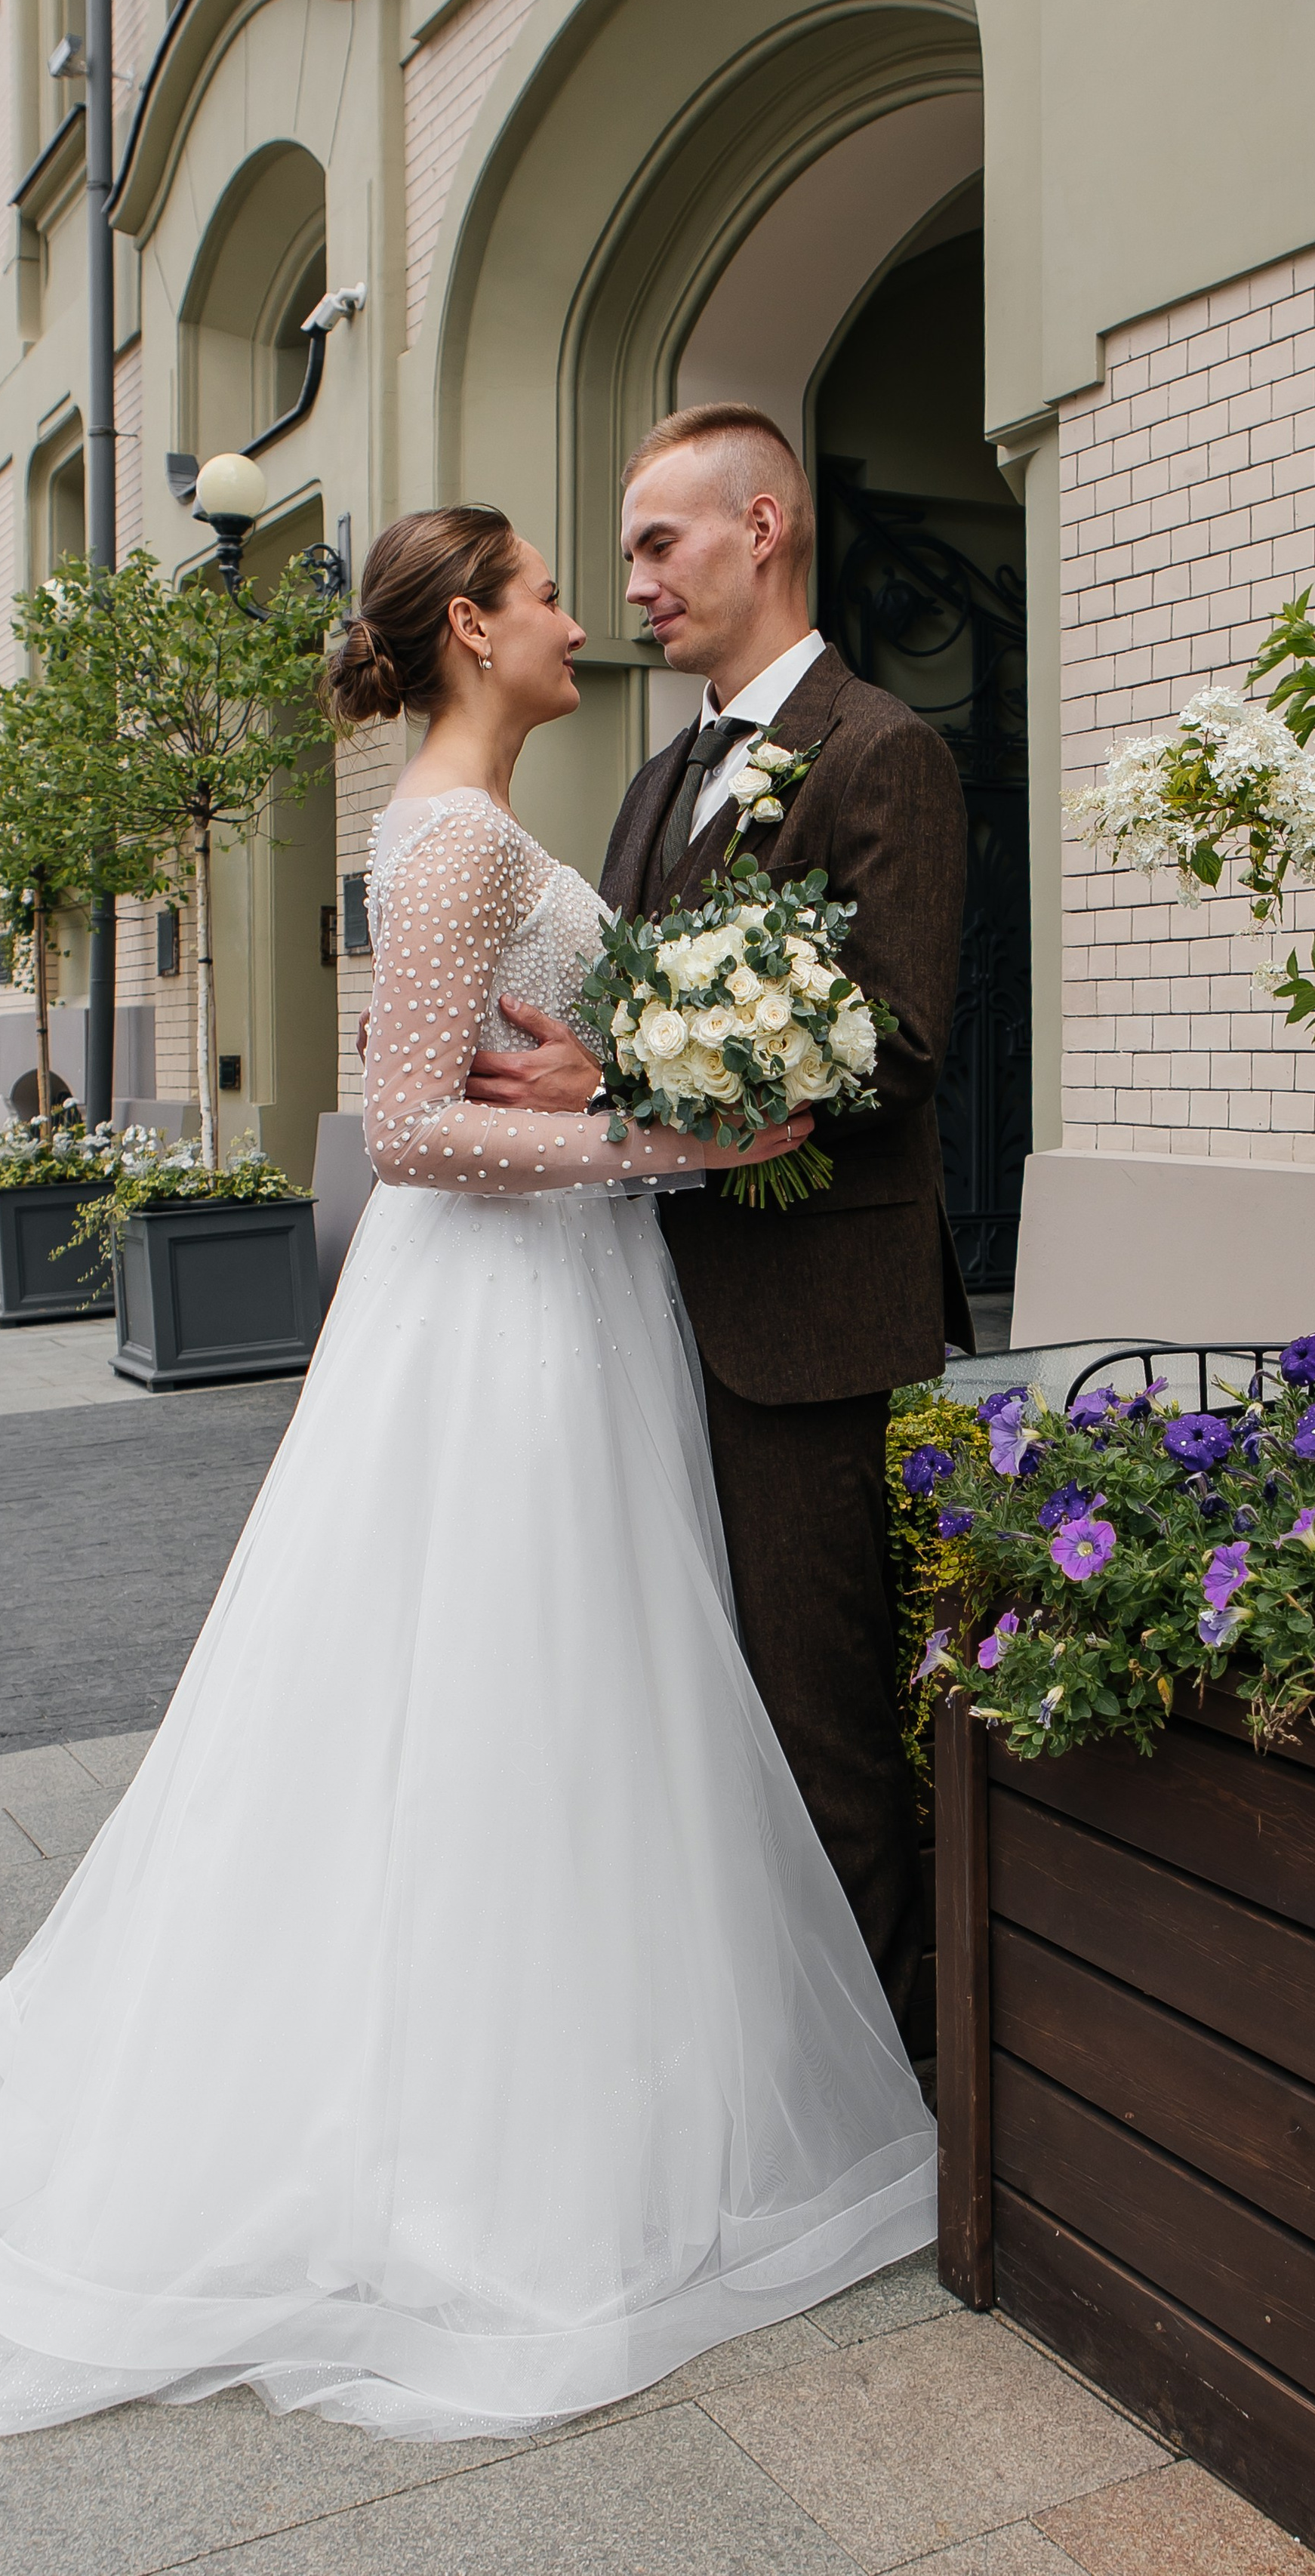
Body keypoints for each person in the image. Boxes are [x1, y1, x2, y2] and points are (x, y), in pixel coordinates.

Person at [0, 504, 935, 2449]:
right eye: (544, 590)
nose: (575, 614)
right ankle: (472, 2137)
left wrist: (651, 1098)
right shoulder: (455, 835)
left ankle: (566, 2078)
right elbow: (404, 1128)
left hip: (559, 1301)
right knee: (500, 1693)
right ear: (472, 628)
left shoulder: (472, 821)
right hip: (499, 1312)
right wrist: (667, 1148)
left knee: (555, 1702)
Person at [462, 405, 972, 2043]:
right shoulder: (658, 777)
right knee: (693, 1709)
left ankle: (887, 2067)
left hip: (801, 1319)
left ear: (762, 527)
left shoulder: (882, 751)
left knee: (817, 1712)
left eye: (657, 544)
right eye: (624, 556)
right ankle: (751, 2039)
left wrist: (619, 1091)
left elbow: (893, 1044)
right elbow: (626, 1012)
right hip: (643, 1303)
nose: (633, 585)